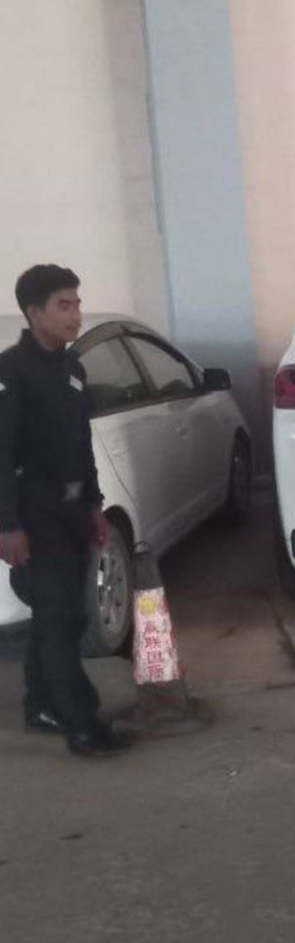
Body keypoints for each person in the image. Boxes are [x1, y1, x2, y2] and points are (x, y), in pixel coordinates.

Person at [0, 265, 132, 757]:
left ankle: (41, 705)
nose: (75, 314)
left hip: (73, 512)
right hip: (35, 516)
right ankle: (81, 725)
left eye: (77, 303)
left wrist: (95, 503)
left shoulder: (72, 368)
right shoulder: (11, 372)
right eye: (63, 305)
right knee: (61, 619)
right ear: (34, 312)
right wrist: (7, 525)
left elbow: (81, 442)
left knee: (58, 617)